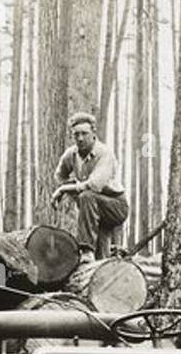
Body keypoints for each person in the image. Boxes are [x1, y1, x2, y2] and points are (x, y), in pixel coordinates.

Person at [52, 112, 129, 263]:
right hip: (93, 209)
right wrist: (69, 185)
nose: (80, 138)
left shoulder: (104, 153)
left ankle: (86, 250)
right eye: (76, 135)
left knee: (87, 196)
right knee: (101, 260)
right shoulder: (71, 154)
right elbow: (59, 175)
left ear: (94, 132)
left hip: (116, 206)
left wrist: (63, 190)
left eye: (84, 133)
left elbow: (94, 185)